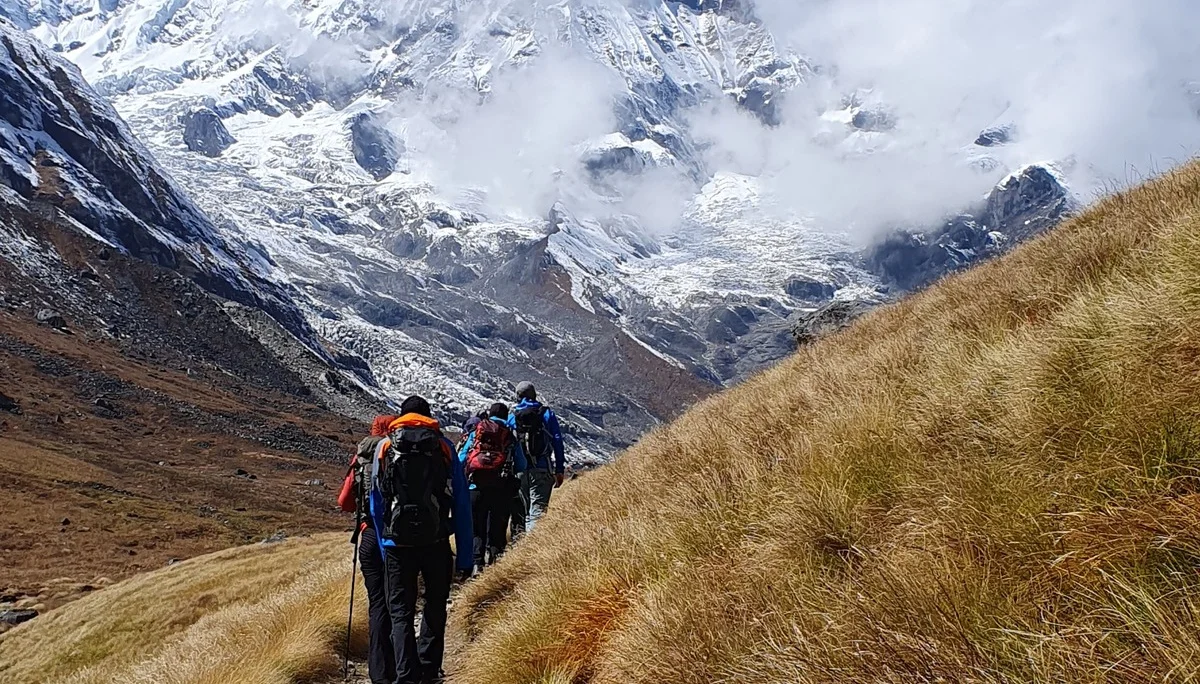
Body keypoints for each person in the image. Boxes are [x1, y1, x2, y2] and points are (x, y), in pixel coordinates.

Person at [369, 395, 473, 684]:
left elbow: (376, 503)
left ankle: (405, 674)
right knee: (435, 604)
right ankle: (428, 669)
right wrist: (466, 558)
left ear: (401, 417)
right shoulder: (443, 446)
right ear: (428, 417)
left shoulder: (385, 447)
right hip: (435, 540)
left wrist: (384, 546)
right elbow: (462, 503)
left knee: (400, 611)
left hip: (396, 544)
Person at [337, 415, 397, 684]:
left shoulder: (361, 456)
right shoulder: (398, 451)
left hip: (369, 535)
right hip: (396, 537)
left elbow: (345, 502)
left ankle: (379, 672)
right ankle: (401, 664)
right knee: (398, 602)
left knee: (377, 604)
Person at [460, 402, 526, 573]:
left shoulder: (476, 432)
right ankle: (495, 566)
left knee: (477, 529)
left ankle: (477, 564)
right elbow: (522, 464)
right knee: (497, 529)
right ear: (505, 416)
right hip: (501, 489)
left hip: (476, 487)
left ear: (489, 415)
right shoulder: (509, 435)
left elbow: (461, 458)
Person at [509, 381, 565, 537]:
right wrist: (559, 469)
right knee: (538, 512)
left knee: (525, 512)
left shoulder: (512, 417)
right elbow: (557, 441)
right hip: (542, 468)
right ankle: (533, 545)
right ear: (534, 395)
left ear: (518, 396)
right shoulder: (546, 414)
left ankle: (526, 544)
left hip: (520, 471)